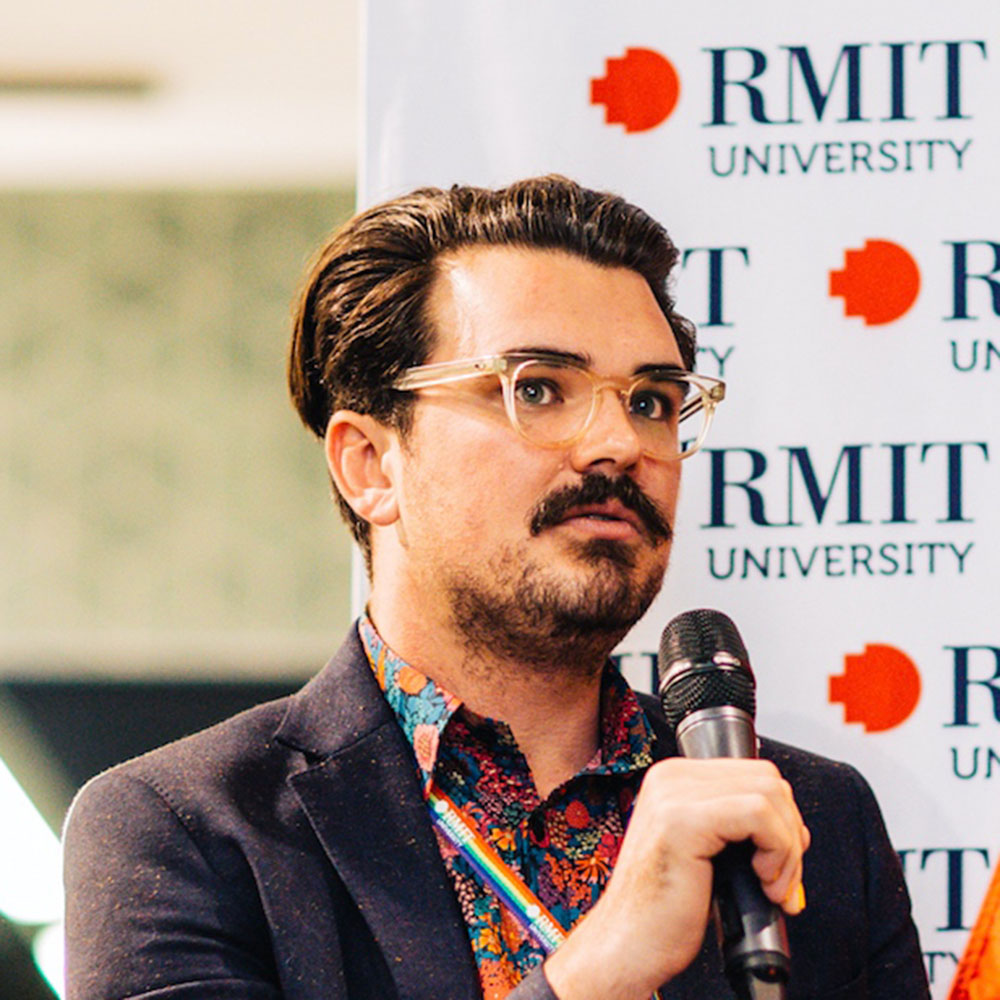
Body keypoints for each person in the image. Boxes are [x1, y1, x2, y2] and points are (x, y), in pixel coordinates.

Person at [63, 176, 929, 1000]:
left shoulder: (811, 817)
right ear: (371, 464)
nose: (617, 443)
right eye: (539, 388)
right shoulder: (188, 830)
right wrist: (598, 973)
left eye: (654, 401)